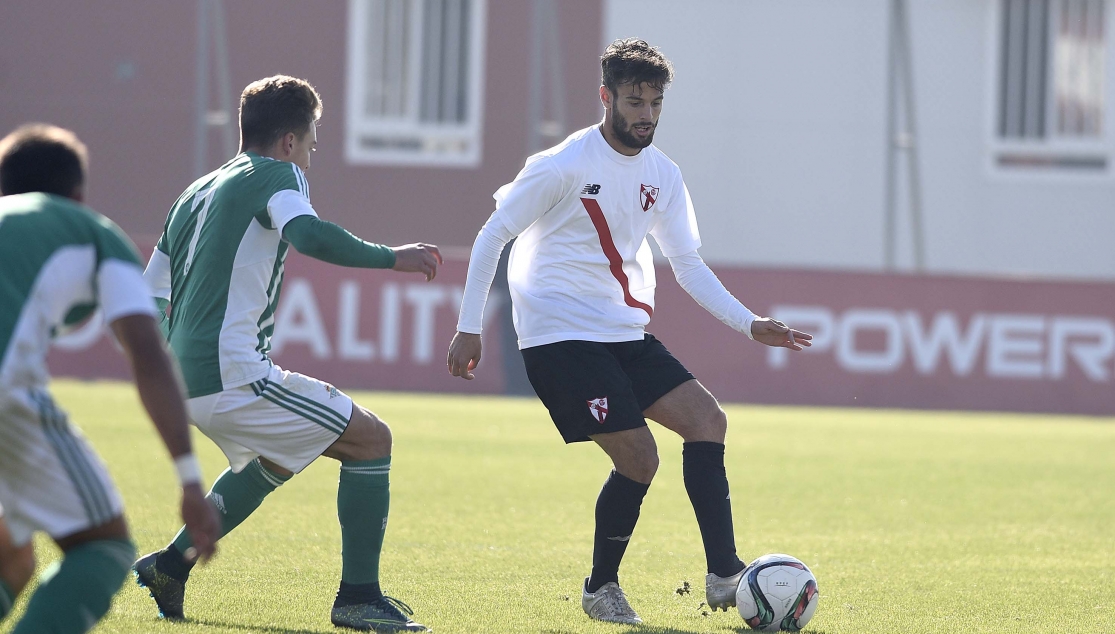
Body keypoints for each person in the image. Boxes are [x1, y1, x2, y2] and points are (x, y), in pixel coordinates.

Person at [447, 39, 813, 624]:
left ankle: (723, 575)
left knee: (707, 420)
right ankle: (600, 589)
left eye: (655, 103)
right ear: (606, 97)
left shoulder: (664, 175)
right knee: (640, 457)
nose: (646, 114)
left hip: (622, 333)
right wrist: (470, 328)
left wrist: (750, 324)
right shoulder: (562, 165)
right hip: (559, 336)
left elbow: (688, 264)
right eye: (634, 101)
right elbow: (493, 235)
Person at [133, 75, 440, 632]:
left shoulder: (194, 191)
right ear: (289, 140)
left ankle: (170, 566)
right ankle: (358, 599)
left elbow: (152, 289)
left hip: (189, 381)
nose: (315, 148)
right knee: (371, 440)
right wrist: (394, 257)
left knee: (271, 460)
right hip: (233, 374)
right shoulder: (280, 173)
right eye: (313, 134)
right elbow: (309, 235)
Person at [0, 123, 220, 634]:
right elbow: (146, 348)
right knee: (102, 545)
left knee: (12, 556)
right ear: (77, 193)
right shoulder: (92, 231)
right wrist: (189, 478)